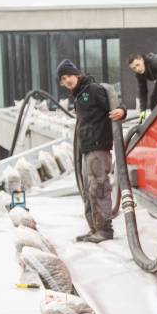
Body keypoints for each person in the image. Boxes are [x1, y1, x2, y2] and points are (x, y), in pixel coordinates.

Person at [57, 59, 127, 243]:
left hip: (98, 147)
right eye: (64, 78)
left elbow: (115, 106)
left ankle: (104, 230)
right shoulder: (79, 95)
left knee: (98, 187)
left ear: (77, 74)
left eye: (70, 75)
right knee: (88, 189)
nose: (68, 80)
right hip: (87, 148)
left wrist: (122, 111)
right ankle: (94, 228)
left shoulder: (93, 90)